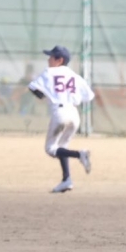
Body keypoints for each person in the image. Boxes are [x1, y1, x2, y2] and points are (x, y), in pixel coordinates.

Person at [28, 45, 94, 193]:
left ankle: (80, 154)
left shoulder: (49, 72)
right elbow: (89, 96)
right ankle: (66, 180)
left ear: (60, 60)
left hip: (60, 113)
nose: (48, 60)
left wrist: (44, 96)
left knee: (51, 149)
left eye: (51, 57)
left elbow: (32, 87)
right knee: (62, 147)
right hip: (74, 114)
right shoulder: (74, 75)